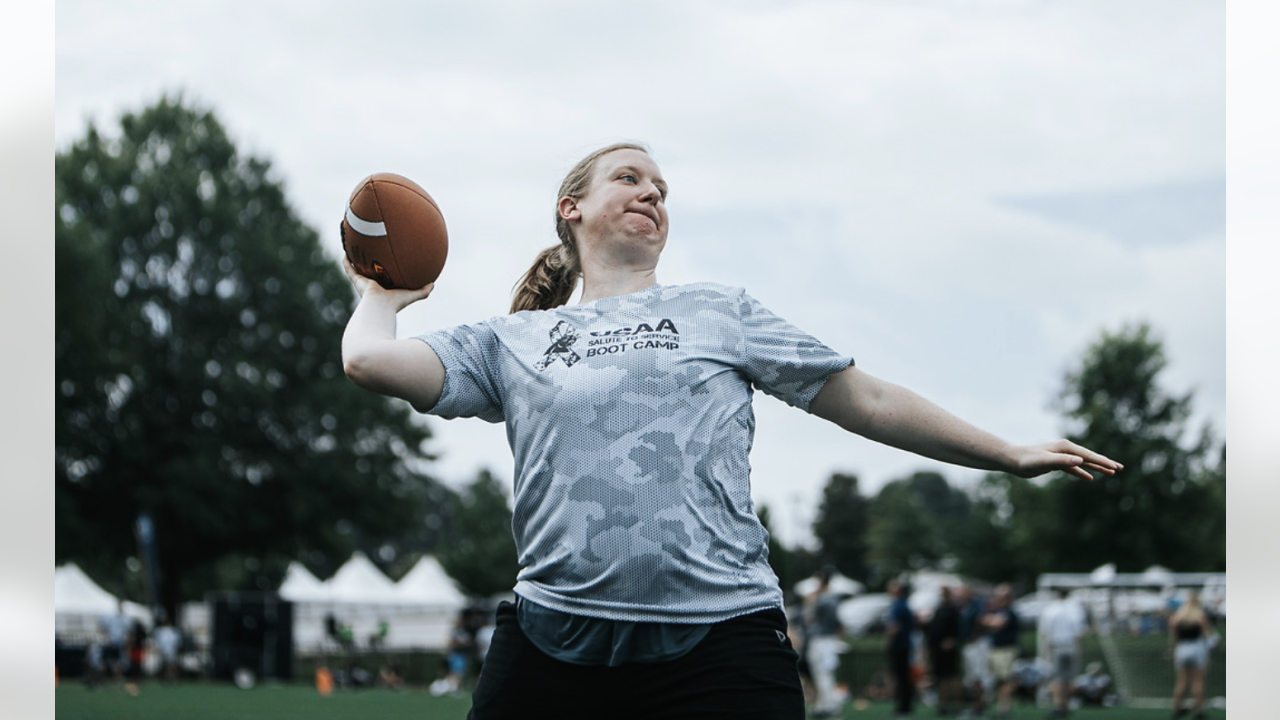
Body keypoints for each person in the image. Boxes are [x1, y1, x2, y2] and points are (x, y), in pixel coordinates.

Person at [340, 142, 1123, 720]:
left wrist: (1006, 452)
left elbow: (872, 400)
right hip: (551, 649)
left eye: (662, 188)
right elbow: (369, 362)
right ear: (571, 207)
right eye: (630, 177)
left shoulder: (719, 310)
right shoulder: (510, 342)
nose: (652, 192)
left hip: (718, 644)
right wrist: (384, 286)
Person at [1037, 588, 1088, 718]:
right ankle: (1067, 704)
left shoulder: (1050, 609)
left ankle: (1059, 705)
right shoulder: (1075, 608)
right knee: (1070, 677)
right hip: (1072, 645)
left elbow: (1044, 631)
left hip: (1056, 646)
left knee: (1058, 678)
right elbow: (1080, 630)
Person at [803, 566, 846, 718]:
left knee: (822, 674)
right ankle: (823, 705)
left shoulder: (822, 598)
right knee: (825, 674)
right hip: (828, 639)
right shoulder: (833, 598)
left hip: (821, 640)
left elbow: (810, 618)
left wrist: (811, 601)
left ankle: (829, 706)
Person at [1168, 590, 1216, 720]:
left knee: (1181, 681)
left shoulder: (1177, 616)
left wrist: (1172, 650)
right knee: (1198, 680)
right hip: (1197, 648)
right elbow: (1208, 635)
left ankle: (1177, 708)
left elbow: (1174, 636)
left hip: (1182, 648)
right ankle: (1198, 711)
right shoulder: (1200, 615)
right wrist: (1212, 648)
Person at [982, 585, 1020, 719]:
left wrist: (989, 621)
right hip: (996, 648)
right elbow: (986, 620)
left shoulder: (1009, 611)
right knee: (998, 679)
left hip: (1005, 649)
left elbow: (996, 623)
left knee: (1004, 679)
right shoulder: (1000, 611)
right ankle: (1000, 705)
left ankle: (1004, 707)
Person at [927, 586, 963, 717]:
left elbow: (958, 629)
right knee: (940, 678)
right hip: (937, 650)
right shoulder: (939, 609)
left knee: (952, 677)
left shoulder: (953, 609)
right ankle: (943, 705)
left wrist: (952, 641)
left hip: (949, 650)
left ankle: (958, 705)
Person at [957, 584, 990, 718]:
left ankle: (979, 706)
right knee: (971, 678)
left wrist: (975, 636)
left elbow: (979, 620)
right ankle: (975, 706)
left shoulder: (976, 604)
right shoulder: (965, 606)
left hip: (977, 644)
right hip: (968, 644)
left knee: (978, 676)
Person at [885, 579, 917, 718]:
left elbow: (894, 627)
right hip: (905, 645)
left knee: (902, 676)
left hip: (900, 646)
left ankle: (904, 707)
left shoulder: (898, 605)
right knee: (903, 676)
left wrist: (889, 642)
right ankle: (905, 705)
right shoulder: (903, 604)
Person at [98, 600, 132, 686]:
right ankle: (103, 681)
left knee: (118, 663)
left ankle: (117, 681)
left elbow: (128, 632)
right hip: (111, 643)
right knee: (106, 662)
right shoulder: (111, 617)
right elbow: (102, 627)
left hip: (119, 644)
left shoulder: (125, 618)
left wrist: (127, 642)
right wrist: (106, 638)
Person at [152, 614, 183, 683]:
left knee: (172, 665)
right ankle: (167, 677)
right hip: (164, 650)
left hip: (171, 650)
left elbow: (177, 641)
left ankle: (173, 677)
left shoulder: (173, 631)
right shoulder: (160, 631)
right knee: (165, 665)